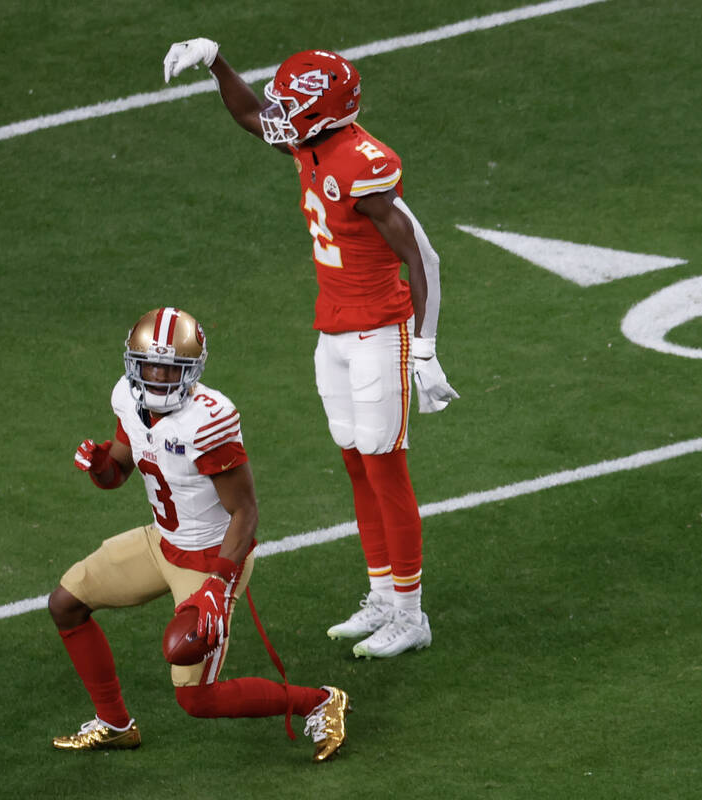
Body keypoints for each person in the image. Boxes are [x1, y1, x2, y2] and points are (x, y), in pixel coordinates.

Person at [163, 41, 459, 658]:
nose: (281, 112)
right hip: (333, 330)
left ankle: (411, 613)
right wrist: (216, 60)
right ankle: (382, 595)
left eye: (295, 103)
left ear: (326, 111)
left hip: (380, 330)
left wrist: (425, 350)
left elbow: (421, 255)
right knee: (355, 462)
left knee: (386, 468)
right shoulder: (313, 142)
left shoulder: (361, 165)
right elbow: (252, 116)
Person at [48, 306, 350, 762]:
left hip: (212, 557)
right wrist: (100, 466)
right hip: (162, 541)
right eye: (149, 365)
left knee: (196, 699)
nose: (158, 376)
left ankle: (322, 702)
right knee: (66, 604)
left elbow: (245, 512)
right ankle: (114, 724)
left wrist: (218, 583)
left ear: (191, 371)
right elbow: (120, 469)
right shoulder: (128, 400)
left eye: (171, 368)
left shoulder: (208, 421)